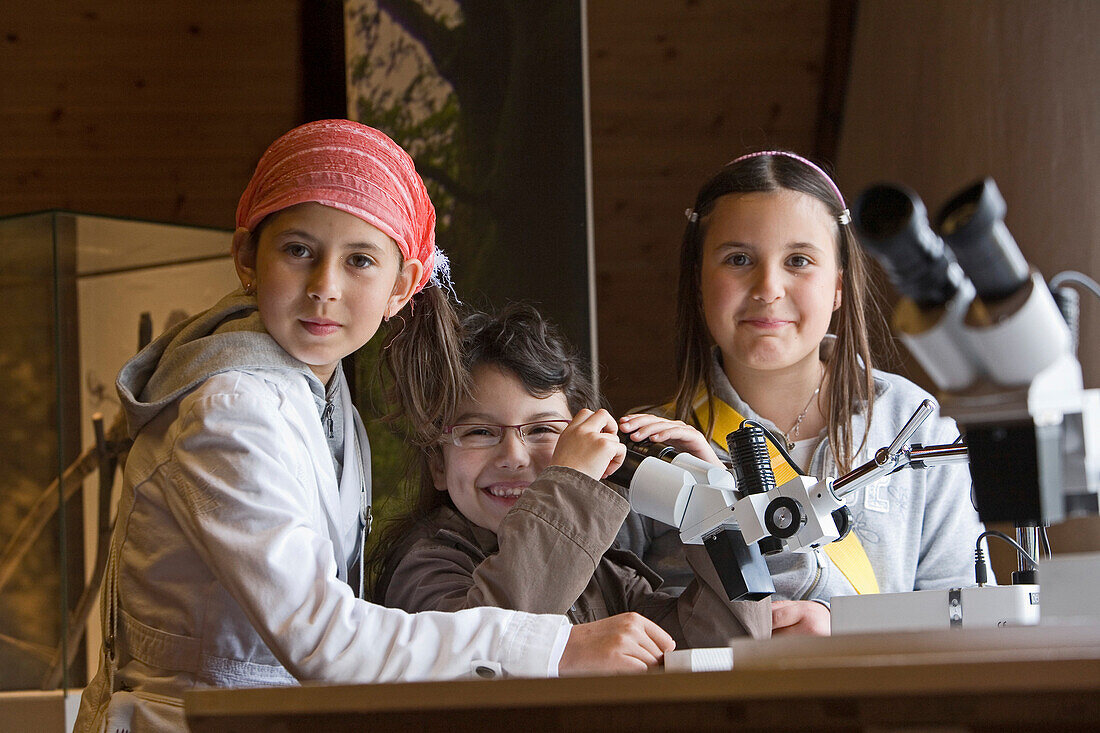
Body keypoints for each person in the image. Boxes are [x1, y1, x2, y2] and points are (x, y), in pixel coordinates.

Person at [75, 120, 672, 733]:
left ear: (402, 286)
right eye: (298, 250)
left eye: (359, 260)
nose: (324, 288)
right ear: (247, 259)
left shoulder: (322, 396)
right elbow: (323, 639)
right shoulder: (230, 410)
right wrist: (556, 650)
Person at [615, 150, 986, 636]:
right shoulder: (644, 446)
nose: (768, 287)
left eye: (798, 260)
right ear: (699, 282)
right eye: (738, 259)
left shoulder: (915, 423)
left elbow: (970, 614)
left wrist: (845, 628)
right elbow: (611, 616)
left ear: (837, 286)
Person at [368, 304, 769, 646]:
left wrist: (716, 506)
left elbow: (727, 646)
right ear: (438, 464)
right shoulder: (426, 566)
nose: (513, 456)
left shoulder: (603, 573)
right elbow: (486, 646)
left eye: (542, 430)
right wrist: (569, 481)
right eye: (479, 432)